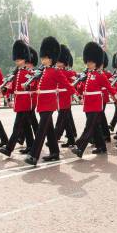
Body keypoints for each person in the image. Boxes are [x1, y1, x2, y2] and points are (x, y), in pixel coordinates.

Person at [24, 36, 77, 166]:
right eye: (42, 58)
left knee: (41, 130)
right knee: (48, 130)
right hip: (42, 103)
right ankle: (54, 152)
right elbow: (39, 85)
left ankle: (33, 155)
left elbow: (67, 85)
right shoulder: (44, 71)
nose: (42, 60)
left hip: (49, 103)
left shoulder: (56, 71)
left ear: (51, 58)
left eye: (45, 58)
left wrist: (76, 95)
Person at [71, 42, 117, 157]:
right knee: (96, 127)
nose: (88, 64)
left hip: (96, 104)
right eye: (87, 61)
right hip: (88, 104)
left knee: (89, 127)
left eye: (91, 62)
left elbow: (109, 87)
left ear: (96, 62)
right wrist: (78, 94)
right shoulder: (87, 74)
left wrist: (116, 97)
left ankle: (79, 147)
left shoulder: (100, 75)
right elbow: (82, 88)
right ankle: (102, 147)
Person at [0, 40, 36, 157]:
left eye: (19, 59)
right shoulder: (18, 72)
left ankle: (9, 149)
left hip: (25, 102)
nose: (17, 61)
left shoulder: (29, 72)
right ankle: (30, 146)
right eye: (16, 60)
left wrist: (28, 86)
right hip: (19, 102)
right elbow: (12, 87)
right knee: (26, 126)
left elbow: (33, 84)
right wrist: (5, 90)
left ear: (25, 59)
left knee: (17, 126)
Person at [54, 45, 77, 147]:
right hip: (58, 97)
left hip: (65, 97)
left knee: (61, 118)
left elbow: (72, 84)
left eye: (60, 62)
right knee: (66, 120)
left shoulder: (69, 72)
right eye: (57, 62)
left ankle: (54, 138)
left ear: (64, 62)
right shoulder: (56, 71)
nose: (58, 64)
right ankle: (71, 140)